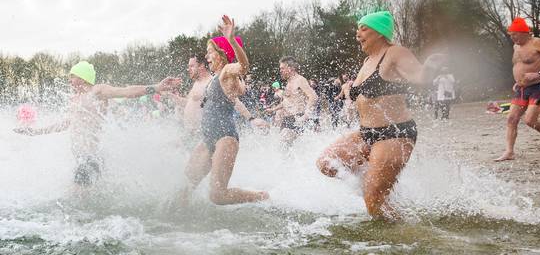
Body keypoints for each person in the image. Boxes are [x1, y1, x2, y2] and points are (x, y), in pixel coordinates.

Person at [316, 10, 443, 219]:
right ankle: (375, 186)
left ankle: (405, 235)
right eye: (357, 29)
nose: (358, 34)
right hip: (367, 133)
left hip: (394, 134)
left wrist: (429, 68)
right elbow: (358, 93)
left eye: (363, 29)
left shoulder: (395, 53)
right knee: (327, 162)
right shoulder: (367, 61)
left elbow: (419, 76)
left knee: (374, 202)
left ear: (380, 33)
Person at [14, 61, 181, 190]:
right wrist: (35, 132)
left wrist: (156, 87)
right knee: (83, 201)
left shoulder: (97, 91)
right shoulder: (75, 99)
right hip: (81, 158)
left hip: (90, 157)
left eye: (72, 76)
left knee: (74, 200)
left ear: (82, 77)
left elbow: (126, 91)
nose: (69, 80)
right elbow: (64, 124)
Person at [182, 15, 268, 205]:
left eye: (209, 52)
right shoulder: (214, 78)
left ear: (221, 53)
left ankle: (261, 196)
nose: (206, 56)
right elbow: (232, 101)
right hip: (207, 137)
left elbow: (244, 67)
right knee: (185, 185)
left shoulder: (227, 72)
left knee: (218, 195)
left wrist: (231, 41)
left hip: (225, 137)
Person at [494, 17, 540, 161]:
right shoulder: (516, 47)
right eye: (511, 36)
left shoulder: (536, 42)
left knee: (530, 120)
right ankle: (509, 151)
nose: (512, 38)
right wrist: (518, 81)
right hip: (522, 87)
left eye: (515, 35)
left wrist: (539, 73)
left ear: (525, 33)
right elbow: (519, 66)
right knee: (511, 118)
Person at [278, 56, 318, 145]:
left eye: (282, 68)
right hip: (287, 119)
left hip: (298, 118)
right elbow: (287, 102)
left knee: (284, 143)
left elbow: (313, 96)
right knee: (284, 147)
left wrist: (306, 115)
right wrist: (274, 110)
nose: (280, 71)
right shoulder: (288, 83)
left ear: (290, 68)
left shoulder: (300, 80)